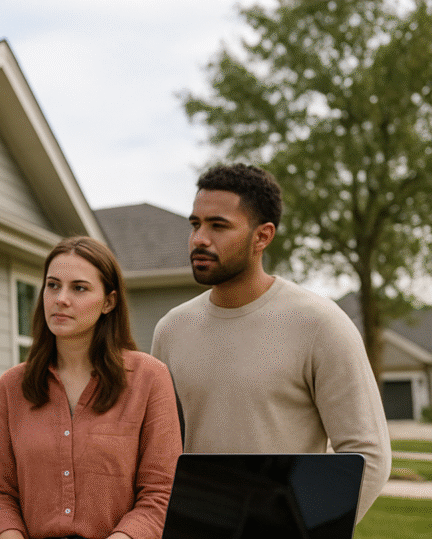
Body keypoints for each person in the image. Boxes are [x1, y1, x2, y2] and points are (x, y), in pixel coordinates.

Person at [151, 163, 391, 519]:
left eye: (218, 226)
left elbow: (367, 455)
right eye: (195, 224)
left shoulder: (320, 324)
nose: (199, 238)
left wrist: (300, 533)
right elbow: (157, 451)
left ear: (262, 236)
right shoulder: (171, 329)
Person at [0, 236, 183, 539]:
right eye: (52, 285)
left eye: (80, 288)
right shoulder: (12, 386)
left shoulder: (149, 378)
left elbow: (162, 495)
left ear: (109, 302)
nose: (61, 299)